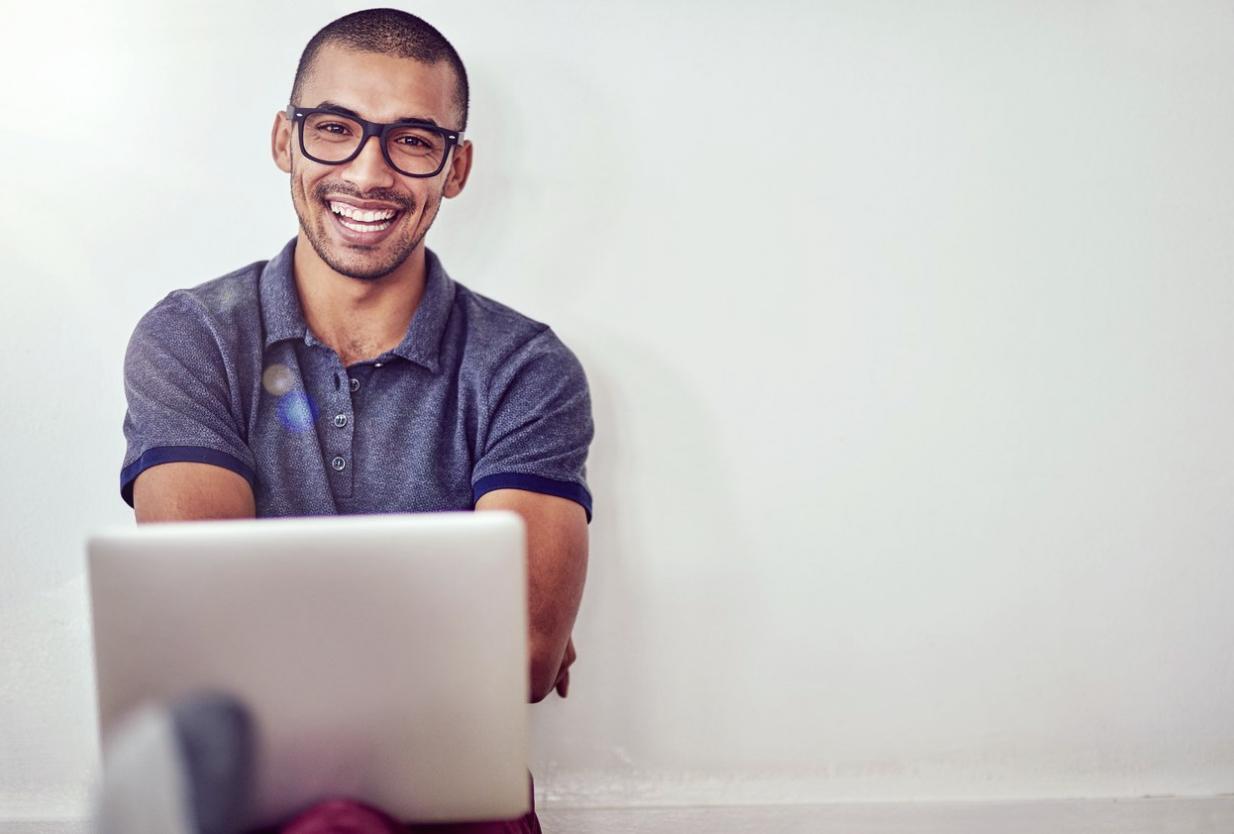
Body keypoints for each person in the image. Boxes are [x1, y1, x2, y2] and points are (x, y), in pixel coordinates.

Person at [109, 8, 593, 833]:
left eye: (412, 139)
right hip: (247, 793)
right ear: (282, 142)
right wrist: (449, 629)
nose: (368, 173)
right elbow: (209, 625)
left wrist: (282, 613)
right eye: (334, 128)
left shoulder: (528, 368)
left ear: (457, 165)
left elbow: (518, 656)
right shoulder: (190, 337)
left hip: (449, 801)